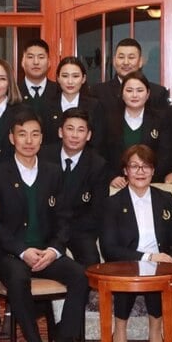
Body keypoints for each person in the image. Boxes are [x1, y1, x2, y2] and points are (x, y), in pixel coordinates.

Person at [0, 110, 88, 342]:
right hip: (11, 254)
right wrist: (21, 250)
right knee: (18, 279)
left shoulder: (53, 173)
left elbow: (64, 219)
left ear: (42, 139)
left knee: (80, 276)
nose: (28, 140)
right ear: (11, 138)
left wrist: (54, 250)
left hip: (46, 251)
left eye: (34, 134)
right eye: (22, 134)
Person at [100, 144, 172, 342]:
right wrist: (148, 257)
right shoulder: (113, 203)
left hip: (160, 264)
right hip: (127, 262)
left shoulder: (166, 199)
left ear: (153, 170)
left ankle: (156, 329)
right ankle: (119, 330)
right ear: (125, 170)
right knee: (131, 272)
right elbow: (109, 247)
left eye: (146, 166)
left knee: (155, 272)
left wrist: (170, 261)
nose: (140, 172)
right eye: (134, 166)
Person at [55, 108, 111, 267]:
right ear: (60, 132)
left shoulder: (98, 165)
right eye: (69, 129)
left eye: (81, 130)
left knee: (91, 259)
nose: (74, 135)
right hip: (46, 227)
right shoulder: (43, 157)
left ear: (88, 135)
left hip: (79, 230)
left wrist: (66, 231)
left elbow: (97, 211)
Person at [104, 71, 172, 183]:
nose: (134, 95)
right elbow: (101, 153)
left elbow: (165, 155)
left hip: (152, 182)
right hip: (118, 184)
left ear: (148, 94)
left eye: (140, 90)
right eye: (129, 90)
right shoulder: (108, 120)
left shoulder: (160, 120)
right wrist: (112, 177)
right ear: (122, 93)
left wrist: (146, 176)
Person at [44, 56, 106, 159]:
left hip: (86, 164)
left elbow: (98, 142)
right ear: (58, 78)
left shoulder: (94, 106)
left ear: (83, 79)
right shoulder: (47, 106)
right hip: (52, 163)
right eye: (65, 76)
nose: (70, 81)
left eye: (75, 76)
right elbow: (45, 140)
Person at [90, 37, 170, 115]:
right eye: (121, 57)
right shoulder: (98, 92)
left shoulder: (157, 93)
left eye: (131, 57)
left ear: (140, 62)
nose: (126, 62)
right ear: (114, 61)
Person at [18, 38, 59, 113]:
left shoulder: (59, 91)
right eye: (30, 57)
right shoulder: (13, 91)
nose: (36, 62)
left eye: (41, 57)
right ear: (22, 62)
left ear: (49, 62)